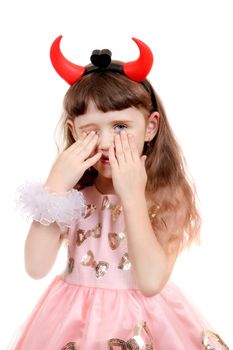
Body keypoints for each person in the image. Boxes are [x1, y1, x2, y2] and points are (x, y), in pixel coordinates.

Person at [9, 35, 228, 350]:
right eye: (91, 130)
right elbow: (35, 266)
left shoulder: (165, 194)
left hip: (143, 325)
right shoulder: (74, 195)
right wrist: (55, 186)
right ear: (73, 131)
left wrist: (133, 196)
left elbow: (151, 282)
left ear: (150, 127)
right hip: (72, 322)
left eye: (121, 126)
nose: (107, 142)